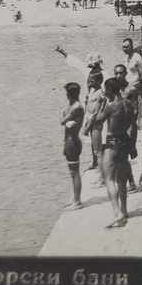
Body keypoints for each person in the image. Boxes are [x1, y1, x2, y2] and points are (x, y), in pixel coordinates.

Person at [94, 78, 138, 229]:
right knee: (122, 180)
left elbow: (97, 120)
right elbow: (133, 127)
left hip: (112, 143)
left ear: (111, 90)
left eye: (106, 89)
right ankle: (125, 211)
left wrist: (101, 103)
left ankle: (117, 213)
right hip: (125, 142)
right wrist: (133, 146)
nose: (105, 92)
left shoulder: (111, 106)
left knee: (109, 179)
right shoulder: (129, 104)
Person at [60, 82, 85, 210]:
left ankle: (77, 201)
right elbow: (64, 120)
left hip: (72, 142)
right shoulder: (73, 106)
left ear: (70, 94)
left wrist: (66, 119)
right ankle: (75, 199)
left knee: (75, 173)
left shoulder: (77, 107)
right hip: (70, 141)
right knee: (72, 172)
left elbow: (62, 120)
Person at [81, 71, 106, 179]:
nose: (90, 82)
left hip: (95, 123)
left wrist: (87, 127)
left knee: (98, 151)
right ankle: (95, 164)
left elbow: (96, 112)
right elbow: (88, 108)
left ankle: (103, 177)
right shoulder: (92, 91)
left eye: (92, 80)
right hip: (91, 121)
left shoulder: (100, 93)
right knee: (94, 147)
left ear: (99, 81)